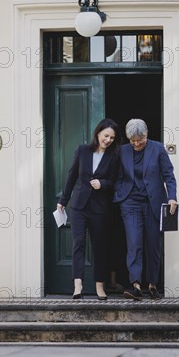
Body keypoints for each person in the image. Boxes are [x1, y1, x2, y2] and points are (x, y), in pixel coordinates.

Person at [57, 118, 121, 300]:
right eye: (106, 135)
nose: (108, 140)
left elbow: (116, 182)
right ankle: (78, 285)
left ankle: (100, 286)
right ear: (98, 133)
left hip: (100, 208)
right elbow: (72, 176)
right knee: (78, 244)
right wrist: (63, 200)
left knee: (100, 247)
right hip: (78, 206)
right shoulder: (83, 150)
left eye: (112, 138)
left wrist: (103, 183)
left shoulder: (113, 157)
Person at [113, 119, 177, 301]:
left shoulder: (158, 149)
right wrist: (120, 192)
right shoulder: (123, 151)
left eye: (139, 140)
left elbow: (169, 176)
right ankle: (136, 285)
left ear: (146, 134)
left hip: (154, 204)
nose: (136, 144)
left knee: (153, 245)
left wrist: (172, 197)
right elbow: (117, 175)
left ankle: (152, 285)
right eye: (132, 140)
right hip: (130, 203)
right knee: (134, 243)